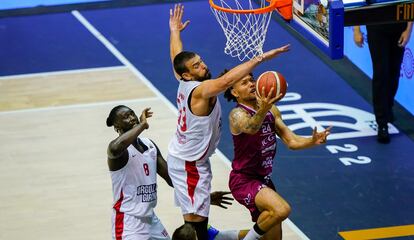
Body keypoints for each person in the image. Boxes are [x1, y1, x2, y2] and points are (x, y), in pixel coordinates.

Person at [167, 4, 290, 240]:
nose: (203, 66)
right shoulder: (201, 91)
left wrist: (175, 32)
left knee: (200, 227)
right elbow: (226, 82)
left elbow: (176, 57)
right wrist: (262, 57)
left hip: (190, 160)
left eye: (201, 61)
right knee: (194, 231)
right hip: (188, 164)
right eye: (196, 66)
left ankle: (218, 236)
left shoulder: (183, 78)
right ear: (187, 75)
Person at [223, 72, 332, 240]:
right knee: (282, 209)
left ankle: (221, 236)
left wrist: (312, 140)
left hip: (264, 180)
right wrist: (263, 109)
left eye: (252, 80)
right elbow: (251, 128)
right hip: (244, 180)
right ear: (234, 92)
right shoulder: (237, 114)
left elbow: (291, 141)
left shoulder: (272, 110)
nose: (251, 84)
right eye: (244, 83)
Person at [106, 105, 240, 240]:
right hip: (128, 221)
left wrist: (201, 198)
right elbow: (115, 148)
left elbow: (172, 179)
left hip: (150, 219)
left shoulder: (149, 145)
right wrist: (142, 126)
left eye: (131, 114)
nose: (131, 118)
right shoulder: (118, 153)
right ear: (117, 126)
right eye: (125, 117)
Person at [353, 22, 413, 143]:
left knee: (394, 72)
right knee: (381, 73)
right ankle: (382, 124)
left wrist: (408, 29)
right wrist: (356, 29)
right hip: (377, 26)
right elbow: (359, 3)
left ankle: (388, 106)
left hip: (398, 25)